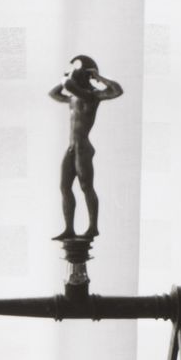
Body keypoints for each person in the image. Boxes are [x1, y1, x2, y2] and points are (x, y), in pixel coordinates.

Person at [48, 55, 123, 240]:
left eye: (76, 72)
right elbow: (54, 93)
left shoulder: (91, 95)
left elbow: (117, 90)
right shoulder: (73, 96)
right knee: (64, 187)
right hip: (72, 147)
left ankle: (92, 227)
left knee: (86, 187)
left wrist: (98, 77)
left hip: (83, 148)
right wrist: (68, 74)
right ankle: (69, 229)